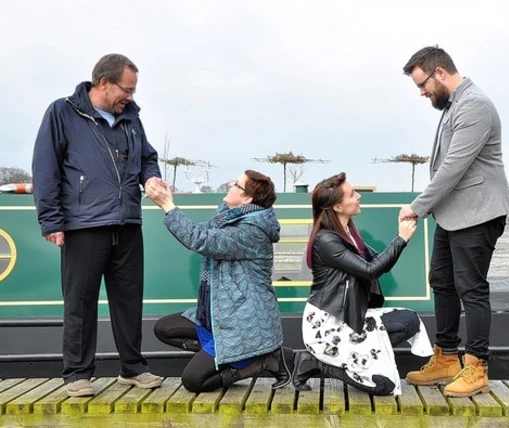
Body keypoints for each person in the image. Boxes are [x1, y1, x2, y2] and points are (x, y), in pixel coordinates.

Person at [32, 54, 163, 397]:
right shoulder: (61, 112)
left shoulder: (132, 119)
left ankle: (133, 368)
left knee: (129, 301)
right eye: (127, 90)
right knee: (80, 302)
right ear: (104, 83)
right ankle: (77, 373)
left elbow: (148, 157)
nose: (131, 97)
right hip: (83, 225)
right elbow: (45, 168)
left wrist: (151, 178)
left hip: (128, 223)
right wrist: (50, 219)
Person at [399, 46, 509, 397]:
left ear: (439, 72)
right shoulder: (455, 105)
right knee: (442, 281)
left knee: (472, 288)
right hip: (455, 214)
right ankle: (447, 357)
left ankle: (477, 366)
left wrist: (417, 207)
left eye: (422, 84)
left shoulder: (475, 105)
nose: (421, 92)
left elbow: (454, 167)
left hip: (478, 213)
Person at [148, 170, 294, 393]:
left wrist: (167, 205)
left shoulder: (251, 231)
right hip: (220, 315)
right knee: (165, 328)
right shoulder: (228, 218)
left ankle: (262, 360)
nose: (229, 185)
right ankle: (228, 355)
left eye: (236, 184)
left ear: (247, 198)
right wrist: (171, 200)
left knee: (194, 381)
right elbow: (199, 232)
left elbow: (200, 241)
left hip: (242, 322)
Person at [291, 173, 432, 396]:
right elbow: (370, 271)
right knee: (383, 386)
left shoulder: (347, 233)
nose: (358, 196)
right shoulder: (326, 240)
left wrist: (400, 234)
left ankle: (362, 356)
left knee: (409, 321)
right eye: (352, 194)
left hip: (347, 316)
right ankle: (316, 363)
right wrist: (401, 239)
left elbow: (376, 261)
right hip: (327, 325)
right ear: (338, 206)